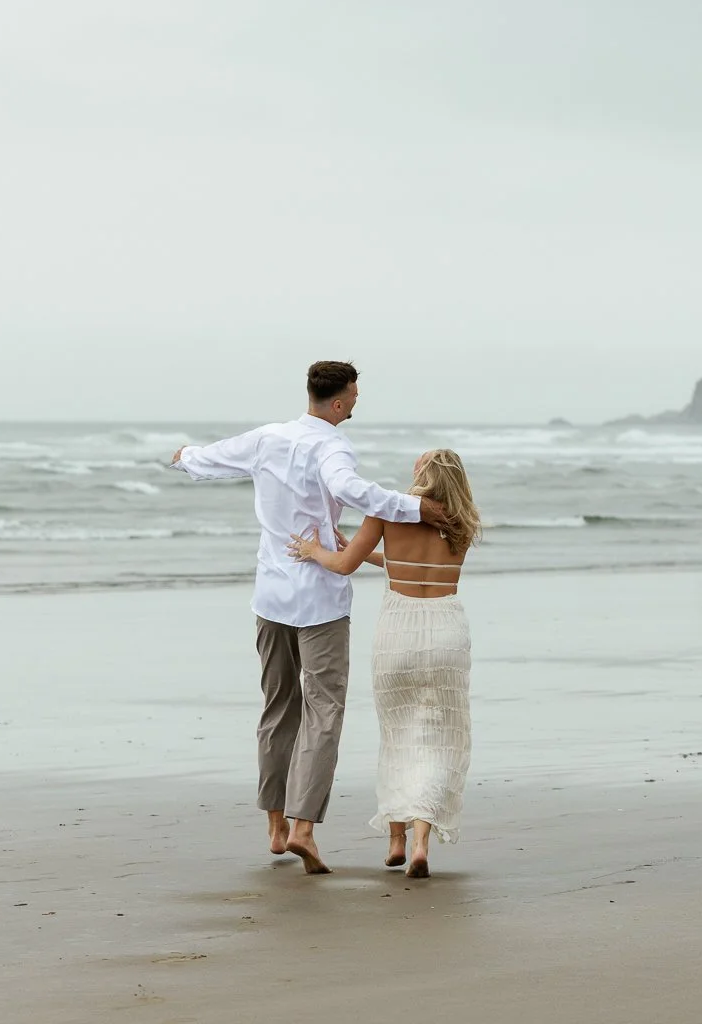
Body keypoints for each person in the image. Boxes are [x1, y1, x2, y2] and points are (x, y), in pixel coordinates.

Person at [167, 361, 451, 875]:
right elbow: (354, 492)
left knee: (278, 708)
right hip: (320, 600)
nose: (357, 402)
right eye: (355, 396)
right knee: (323, 711)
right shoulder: (332, 447)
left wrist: (185, 457)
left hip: (271, 596)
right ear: (338, 402)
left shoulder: (267, 438)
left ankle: (276, 827)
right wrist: (417, 510)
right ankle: (303, 828)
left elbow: (212, 458)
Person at [288, 448, 480, 878]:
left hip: (399, 632)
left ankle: (395, 838)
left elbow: (343, 565)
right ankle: (420, 843)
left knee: (398, 734)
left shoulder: (387, 511)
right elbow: (417, 565)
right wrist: (370, 556)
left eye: (419, 462)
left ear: (424, 473)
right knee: (437, 738)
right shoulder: (463, 520)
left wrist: (313, 550)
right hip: (447, 630)